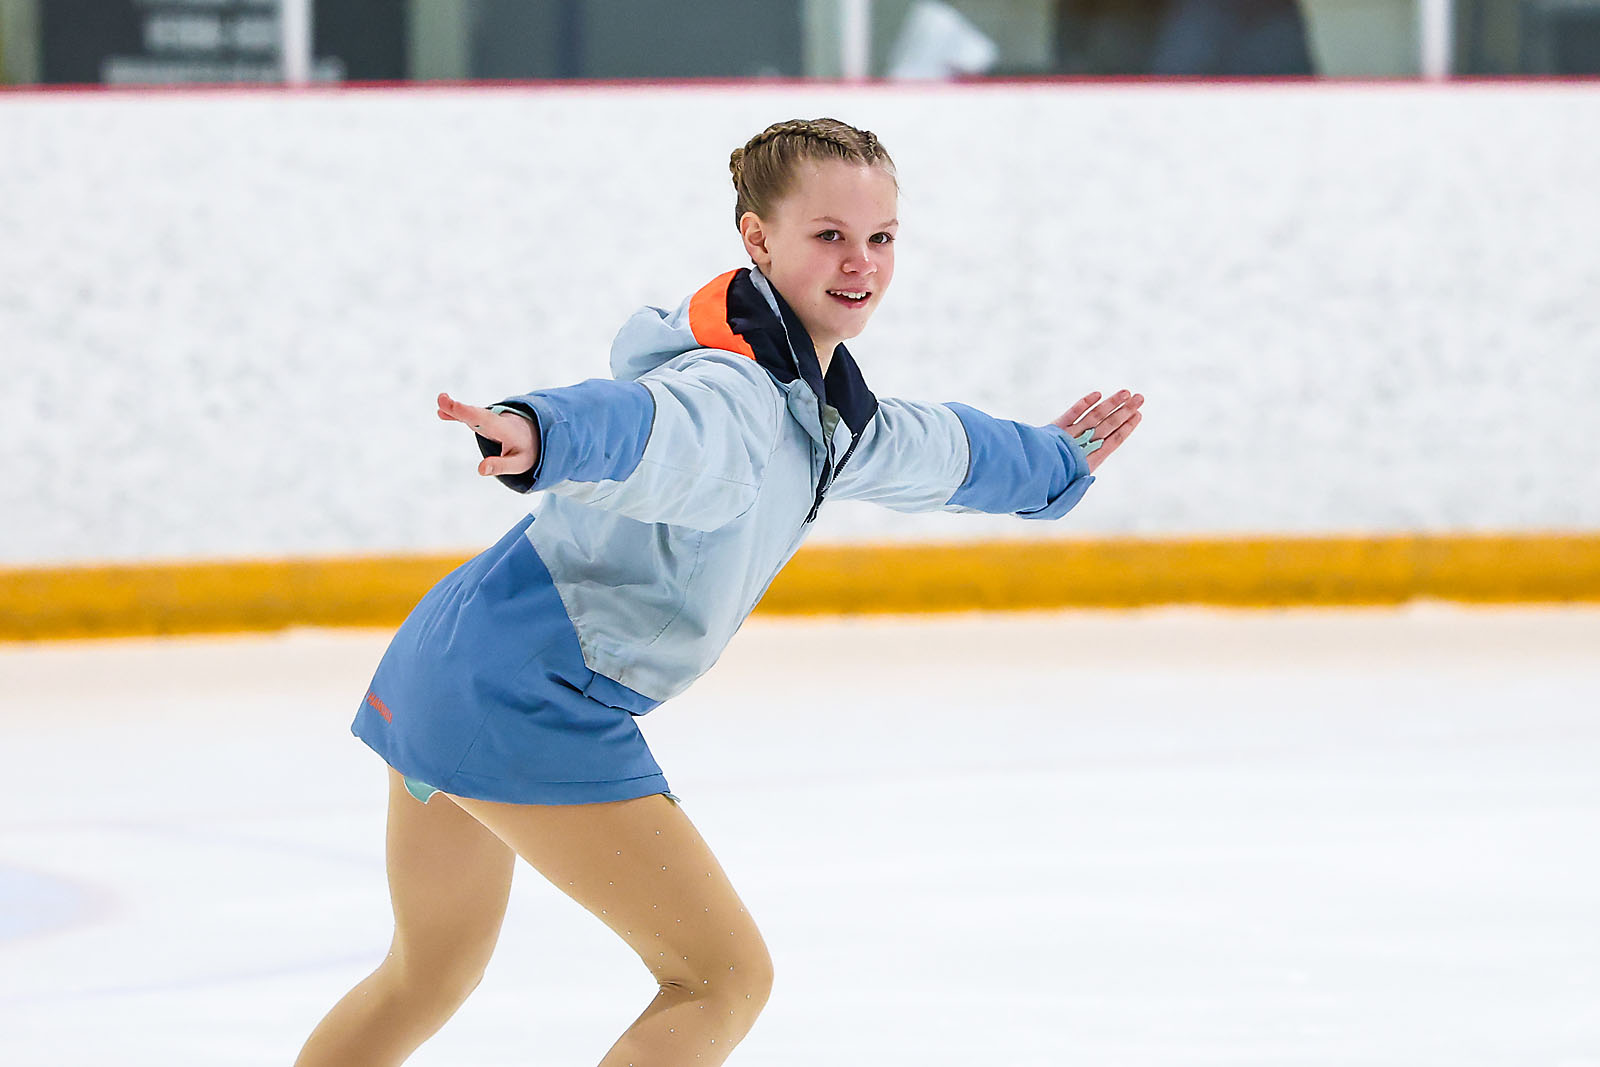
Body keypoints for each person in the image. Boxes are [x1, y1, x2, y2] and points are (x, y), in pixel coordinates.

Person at [293, 117, 1143, 1067]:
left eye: (881, 237)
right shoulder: (734, 395)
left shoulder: (816, 407)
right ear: (758, 239)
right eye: (829, 235)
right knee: (722, 978)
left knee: (430, 971)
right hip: (525, 693)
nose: (860, 263)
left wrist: (1055, 463)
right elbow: (650, 429)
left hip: (441, 665)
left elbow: (933, 448)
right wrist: (545, 434)